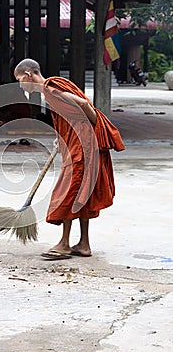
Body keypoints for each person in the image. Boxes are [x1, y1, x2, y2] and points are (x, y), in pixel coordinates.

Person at [14, 58, 125, 260]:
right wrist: (62, 138)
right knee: (83, 193)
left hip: (82, 146)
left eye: (20, 79)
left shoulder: (49, 89)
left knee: (68, 191)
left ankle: (64, 244)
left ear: (29, 74)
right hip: (79, 142)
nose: (20, 85)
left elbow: (82, 104)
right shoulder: (52, 87)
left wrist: (93, 127)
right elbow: (69, 115)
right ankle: (83, 244)